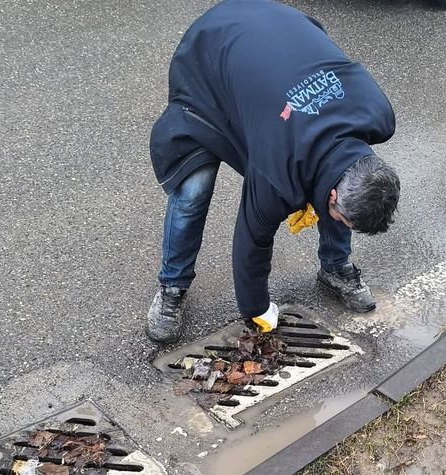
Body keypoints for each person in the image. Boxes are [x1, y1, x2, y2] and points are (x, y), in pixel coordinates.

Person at [146, 0, 400, 343]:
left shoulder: (377, 116)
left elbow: (341, 172)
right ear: (335, 196)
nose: (339, 217)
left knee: (336, 173)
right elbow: (251, 241)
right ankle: (172, 287)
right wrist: (257, 309)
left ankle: (335, 269)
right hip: (210, 59)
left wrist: (332, 205)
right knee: (194, 187)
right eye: (341, 214)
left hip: (280, 39)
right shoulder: (276, 173)